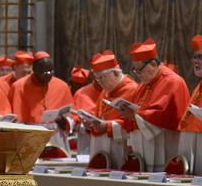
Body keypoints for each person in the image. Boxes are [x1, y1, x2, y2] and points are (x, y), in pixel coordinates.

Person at [113, 39, 190, 171]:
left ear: (153, 64)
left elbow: (162, 115)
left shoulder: (173, 82)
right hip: (141, 146)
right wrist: (129, 144)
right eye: (135, 70)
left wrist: (134, 115)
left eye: (139, 70)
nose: (137, 75)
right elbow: (135, 118)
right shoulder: (142, 85)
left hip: (162, 145)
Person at [79, 51, 138, 168]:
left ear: (115, 73)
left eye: (102, 77)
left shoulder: (133, 90)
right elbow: (99, 116)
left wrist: (108, 126)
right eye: (97, 79)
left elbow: (134, 122)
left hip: (120, 146)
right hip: (100, 146)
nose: (100, 82)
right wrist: (90, 123)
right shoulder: (106, 90)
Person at [10, 53, 73, 145]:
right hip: (30, 136)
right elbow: (16, 119)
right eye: (44, 72)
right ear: (34, 70)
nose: (48, 74)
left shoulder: (62, 86)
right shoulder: (19, 87)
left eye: (51, 70)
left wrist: (64, 122)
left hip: (56, 136)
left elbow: (72, 117)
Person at [178, 35, 202, 172]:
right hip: (191, 141)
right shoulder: (199, 85)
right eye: (195, 57)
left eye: (200, 57)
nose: (196, 61)